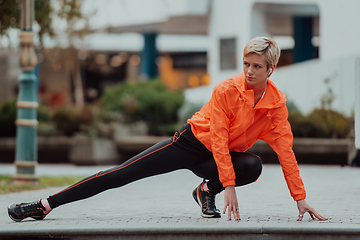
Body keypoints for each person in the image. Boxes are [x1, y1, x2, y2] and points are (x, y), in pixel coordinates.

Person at [8, 37, 327, 222]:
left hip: (219, 158)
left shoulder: (275, 106)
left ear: (271, 69)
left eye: (257, 66)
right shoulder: (227, 90)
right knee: (121, 174)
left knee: (253, 165)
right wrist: (228, 185)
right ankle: (44, 205)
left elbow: (286, 151)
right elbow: (216, 136)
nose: (249, 71)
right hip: (188, 143)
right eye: (246, 64)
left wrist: (300, 198)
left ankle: (205, 191)